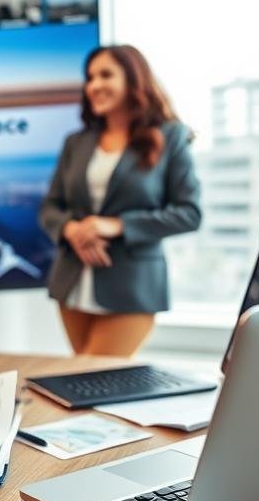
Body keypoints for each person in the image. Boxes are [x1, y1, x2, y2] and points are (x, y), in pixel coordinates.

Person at [39, 44, 202, 357]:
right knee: (85, 381)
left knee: (93, 377)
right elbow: (50, 207)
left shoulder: (171, 137)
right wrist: (72, 230)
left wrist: (113, 225)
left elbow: (189, 213)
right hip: (72, 282)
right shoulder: (77, 142)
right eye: (90, 77)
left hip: (133, 285)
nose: (94, 85)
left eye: (105, 75)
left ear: (132, 78)